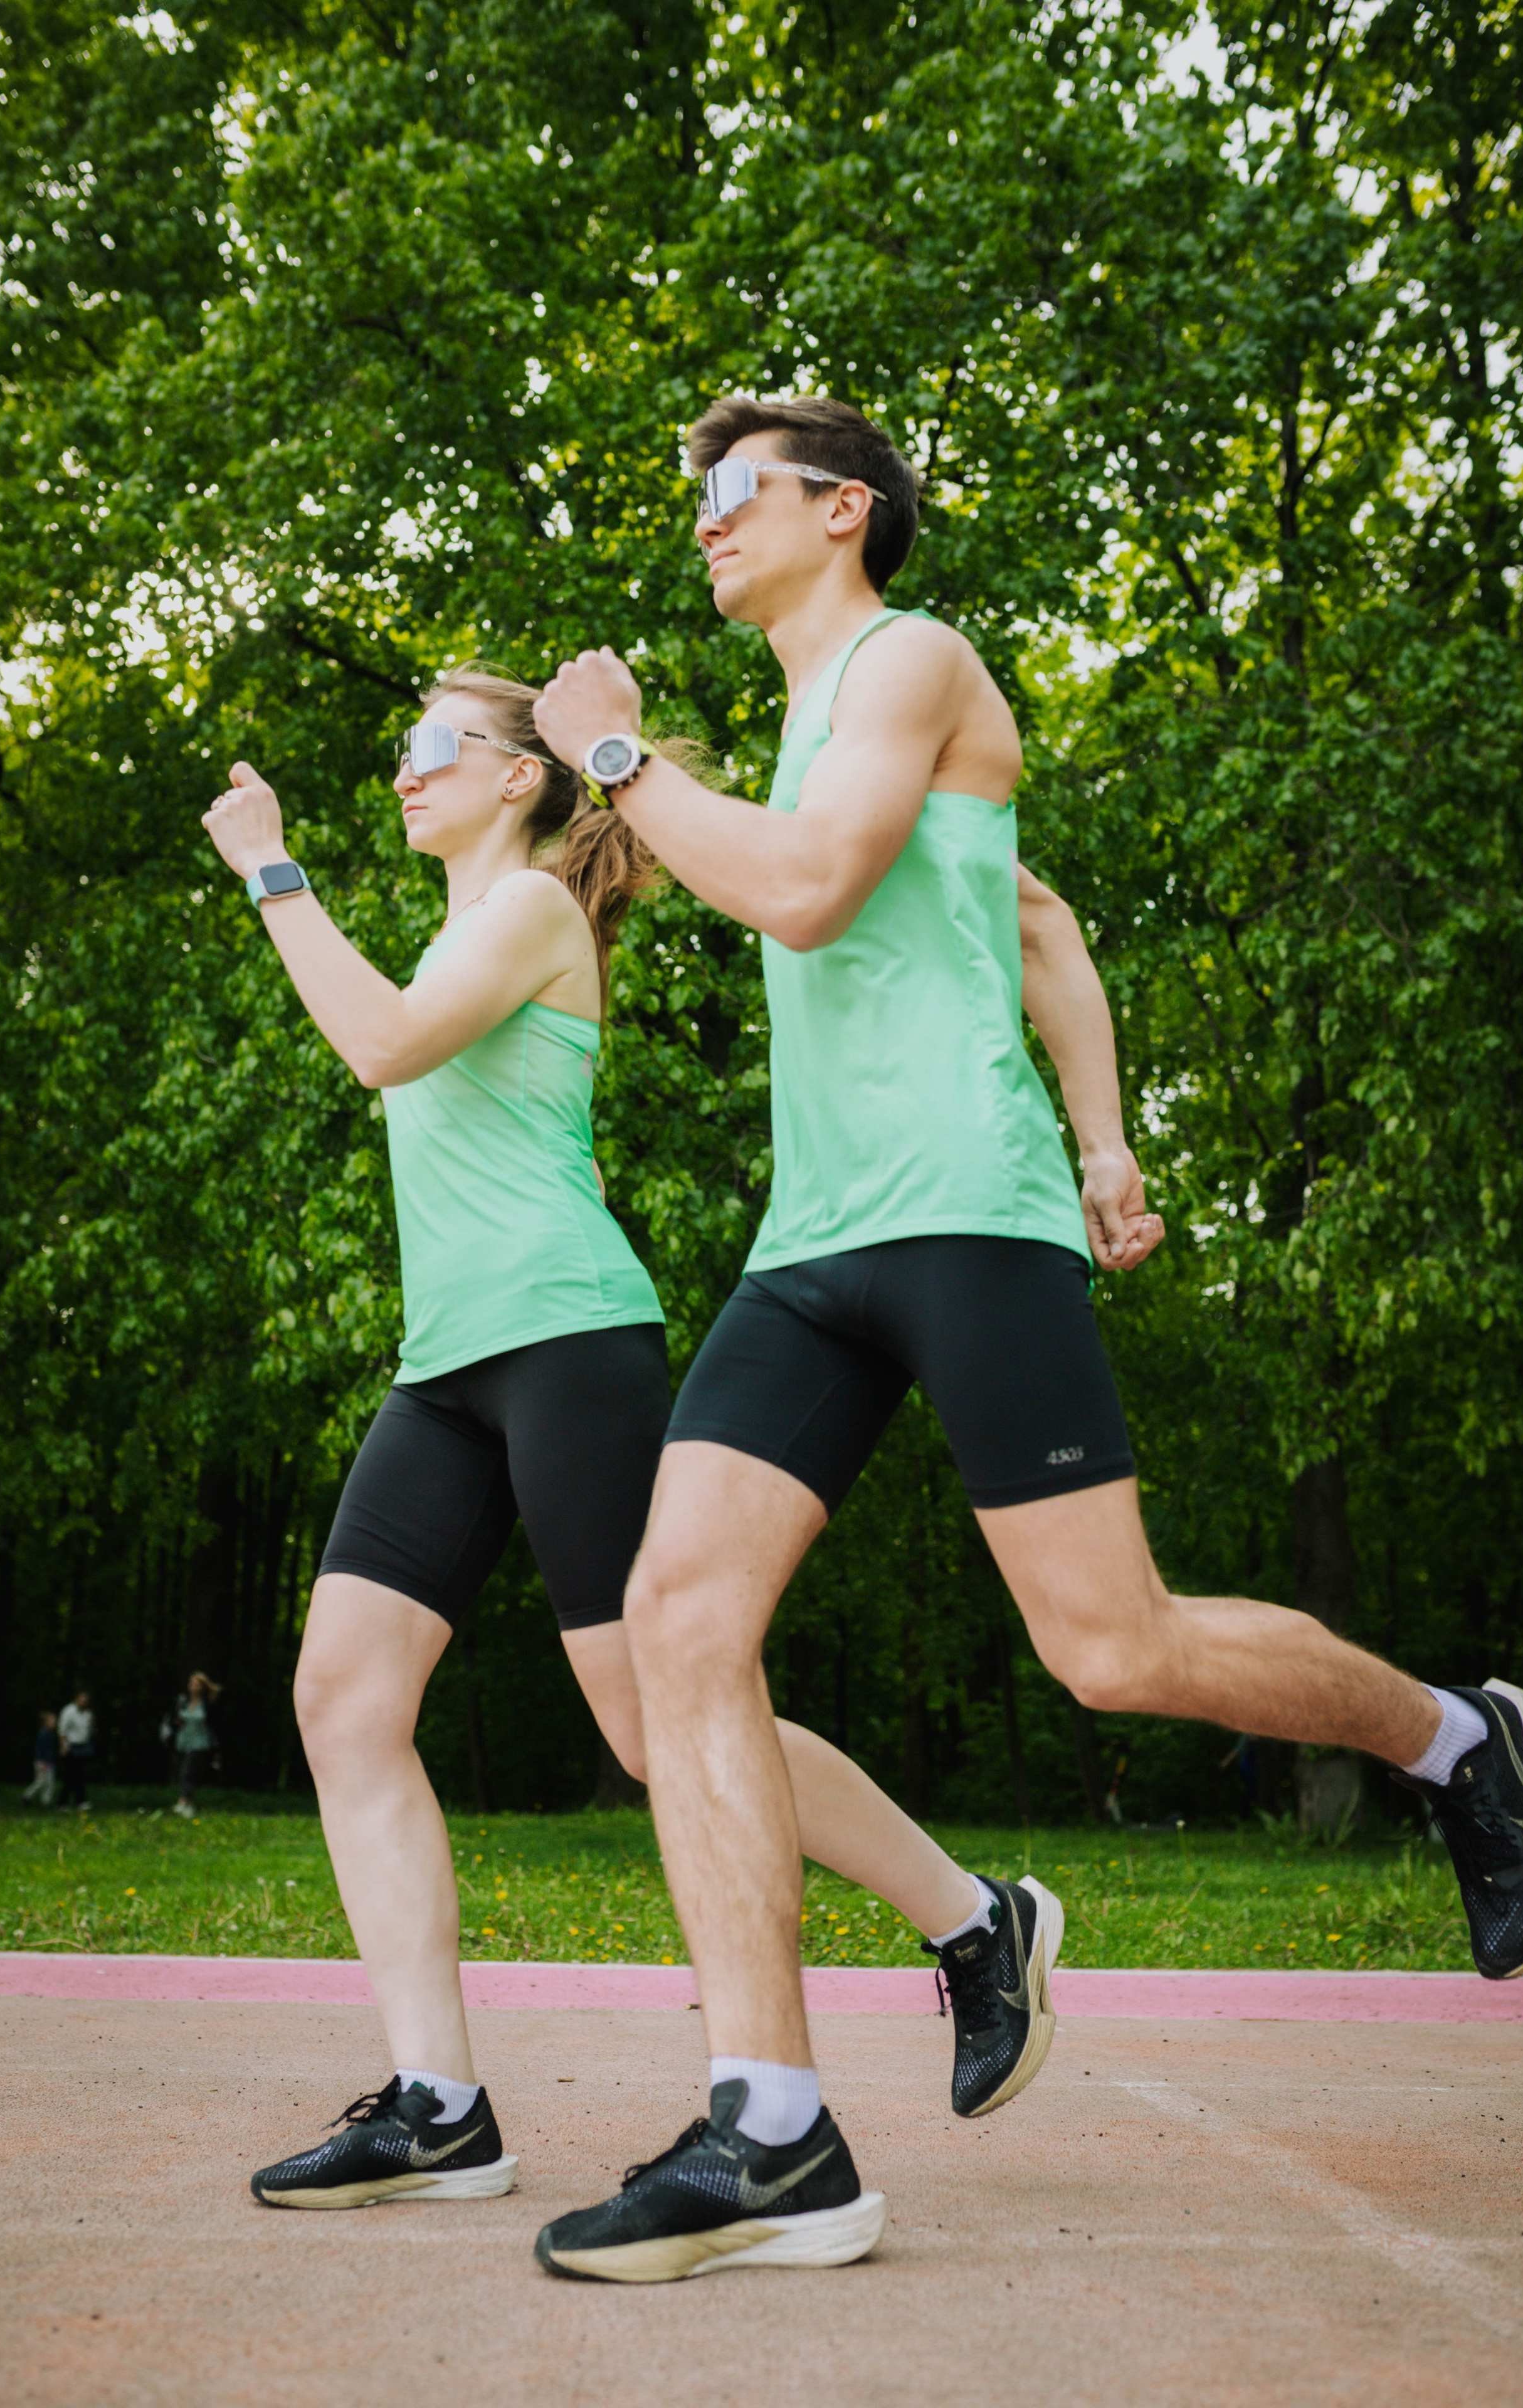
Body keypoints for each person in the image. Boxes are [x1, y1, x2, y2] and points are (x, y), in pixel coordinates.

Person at [527, 391, 1523, 2283]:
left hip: (960, 1224)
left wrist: (611, 748)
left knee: (1109, 1648)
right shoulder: (807, 716)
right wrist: (1110, 1129)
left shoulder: (912, 658)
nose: (699, 521)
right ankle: (770, 2126)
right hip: (812, 1246)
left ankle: (1455, 1741)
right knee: (678, 1626)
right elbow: (1035, 918)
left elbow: (801, 883)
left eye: (728, 489)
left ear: (839, 507)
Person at [198, 664, 1088, 2214]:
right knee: (342, 1697)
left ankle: (972, 1915)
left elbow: (385, 1046)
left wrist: (274, 871)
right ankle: (436, 2103)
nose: (402, 767)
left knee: (649, 1726)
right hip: (445, 1366)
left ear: (521, 777)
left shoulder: (533, 913)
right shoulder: (461, 920)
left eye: (432, 745)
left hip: (563, 1345)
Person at [169, 1672, 222, 1818]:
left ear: (203, 1687)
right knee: (184, 1773)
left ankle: (183, 1803)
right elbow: (173, 1720)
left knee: (188, 1772)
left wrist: (217, 1750)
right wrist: (177, 1723)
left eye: (197, 1684)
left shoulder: (208, 1705)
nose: (194, 1687)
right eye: (192, 1683)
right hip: (183, 1743)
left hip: (201, 1744)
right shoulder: (183, 1702)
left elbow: (215, 1726)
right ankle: (189, 1805)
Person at [56, 1691, 95, 1810]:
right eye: (82, 1700)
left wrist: (93, 1725)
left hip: (84, 1747)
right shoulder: (68, 1711)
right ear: (76, 1700)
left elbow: (90, 1731)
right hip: (71, 1747)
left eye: (86, 1701)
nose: (84, 1703)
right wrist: (63, 1746)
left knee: (81, 1775)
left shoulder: (88, 1713)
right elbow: (62, 1730)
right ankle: (62, 1803)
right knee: (69, 1775)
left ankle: (81, 1801)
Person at [23, 1711, 58, 1807]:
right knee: (41, 1781)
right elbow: (39, 1749)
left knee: (50, 1783)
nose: (55, 1723)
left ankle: (46, 1802)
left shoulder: (51, 1735)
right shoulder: (43, 1734)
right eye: (52, 1721)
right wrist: (41, 1762)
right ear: (46, 1722)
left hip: (50, 1762)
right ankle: (27, 1796)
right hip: (43, 1762)